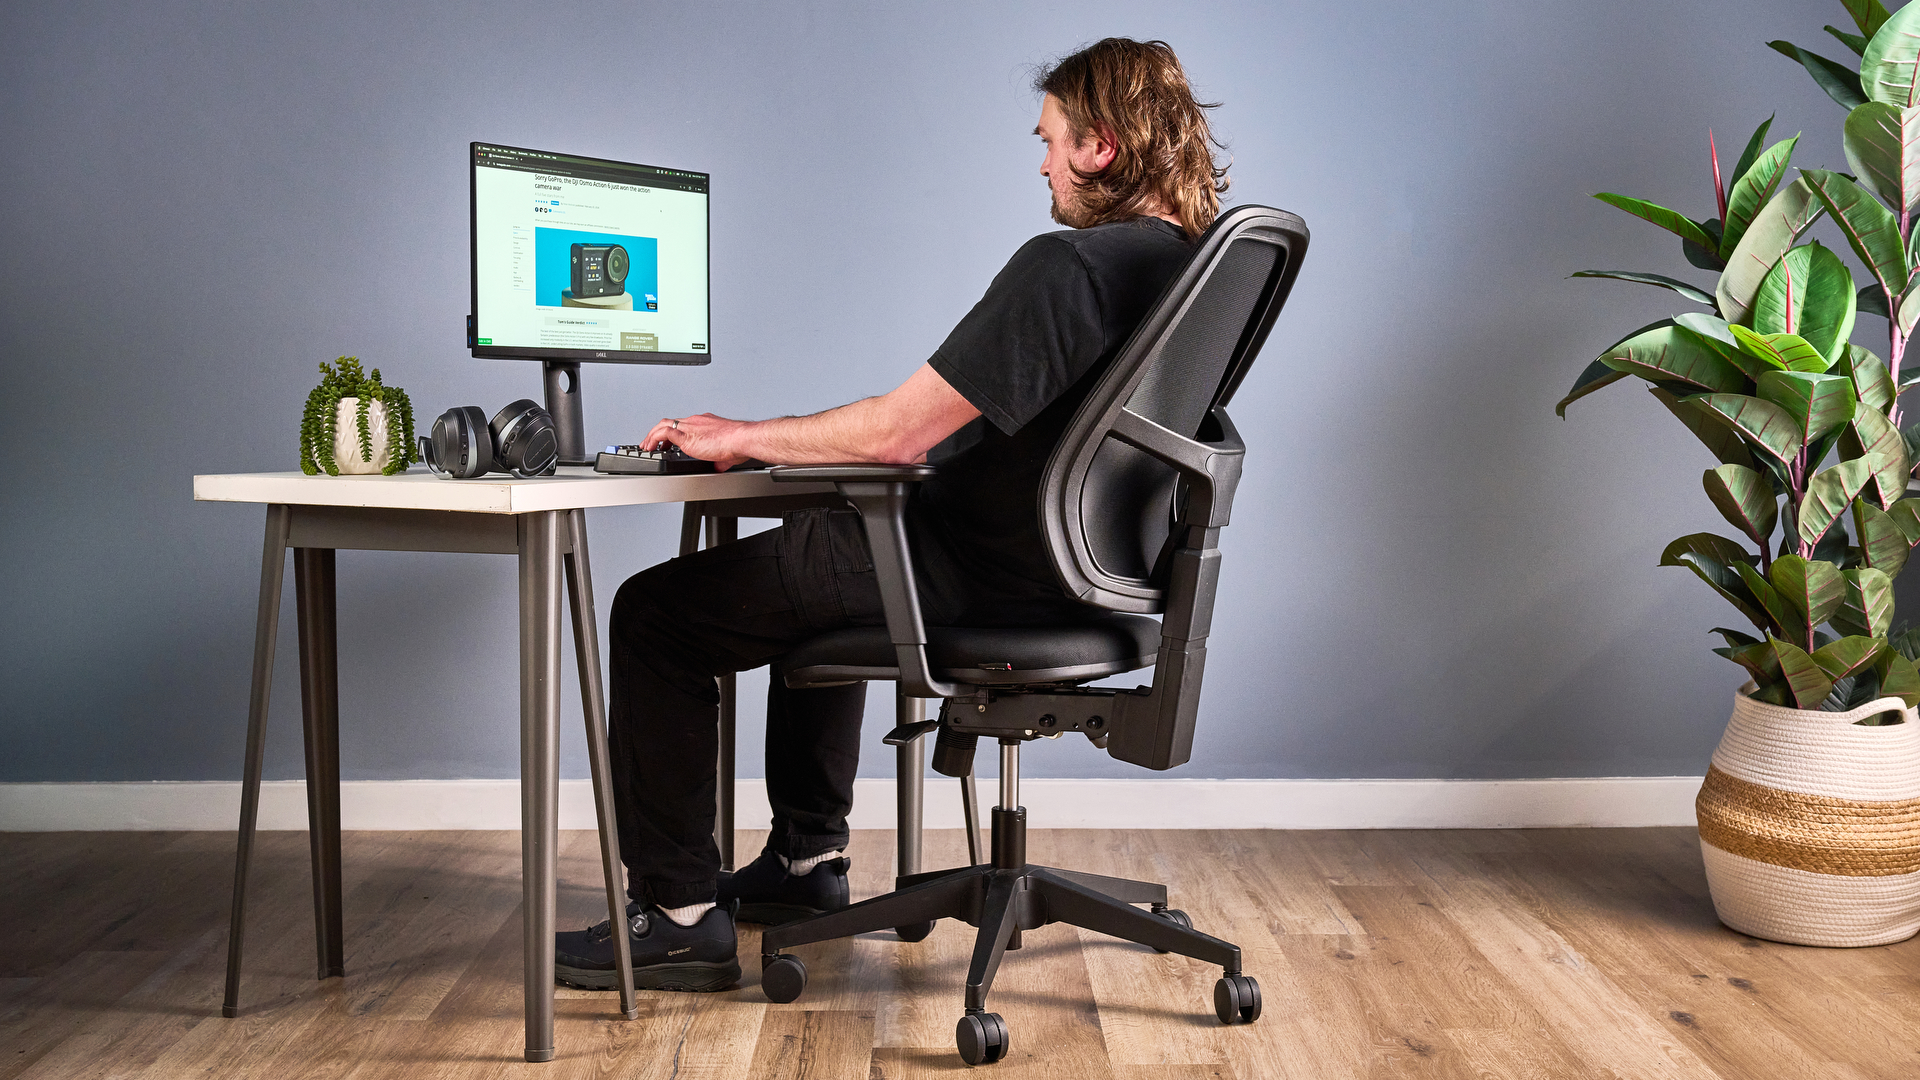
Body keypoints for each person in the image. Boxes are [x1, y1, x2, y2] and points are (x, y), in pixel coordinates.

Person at [555, 36, 1231, 992]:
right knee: (813, 572)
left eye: (1049, 141)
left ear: (1100, 146)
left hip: (962, 569)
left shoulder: (1071, 267)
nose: (1042, 163)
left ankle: (677, 916)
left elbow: (897, 434)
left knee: (654, 613)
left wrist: (740, 435)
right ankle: (804, 866)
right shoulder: (1192, 277)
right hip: (1080, 581)